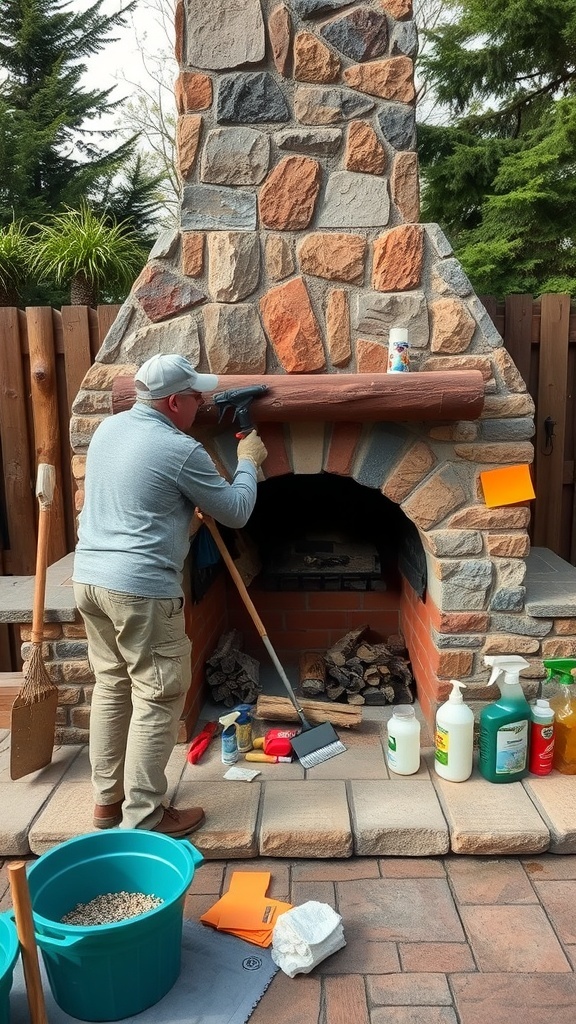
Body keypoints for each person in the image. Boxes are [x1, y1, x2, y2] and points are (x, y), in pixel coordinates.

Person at [73, 353, 268, 838]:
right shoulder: (180, 449)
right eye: (196, 396)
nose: (203, 403)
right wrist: (249, 461)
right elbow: (237, 511)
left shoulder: (108, 431)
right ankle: (145, 817)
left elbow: (139, 498)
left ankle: (106, 805)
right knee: (158, 695)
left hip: (90, 579)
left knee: (112, 686)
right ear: (174, 402)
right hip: (139, 589)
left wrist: (179, 511)